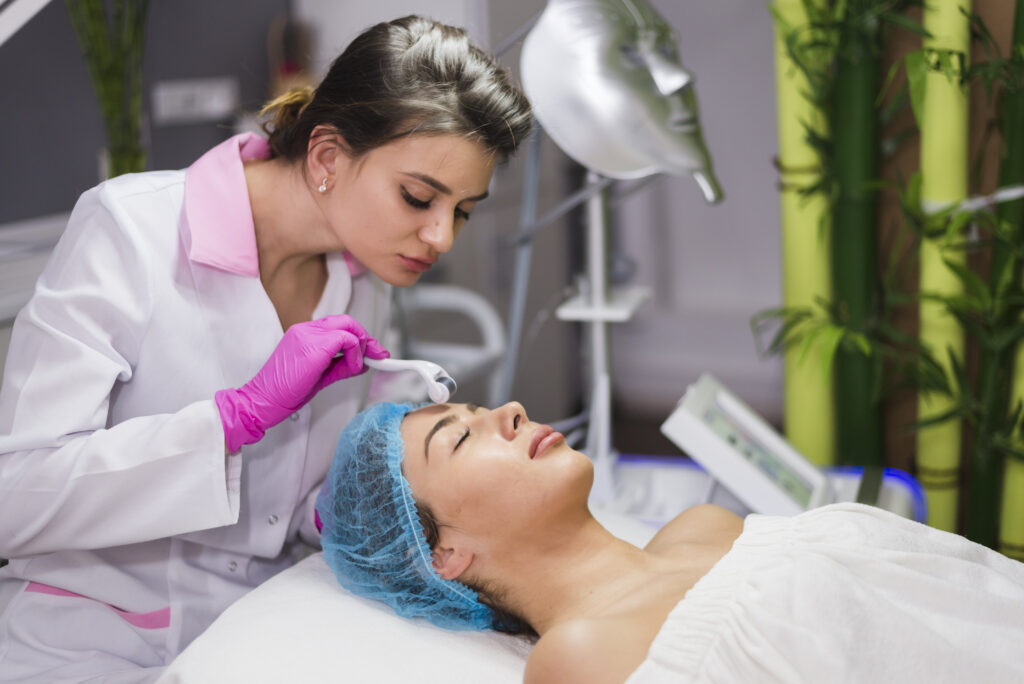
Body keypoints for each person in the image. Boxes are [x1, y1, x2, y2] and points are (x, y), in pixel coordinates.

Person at [0, 16, 531, 683]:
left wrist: (350, 506)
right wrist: (234, 419)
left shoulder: (361, 273)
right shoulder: (130, 230)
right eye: (419, 196)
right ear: (328, 157)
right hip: (87, 638)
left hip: (259, 623)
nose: (440, 236)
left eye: (462, 210)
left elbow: (307, 497)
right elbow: (13, 498)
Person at [317, 401, 1024, 684]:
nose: (510, 409)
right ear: (442, 556)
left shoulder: (702, 527)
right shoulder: (574, 657)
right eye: (462, 435)